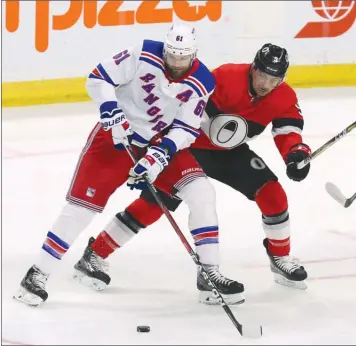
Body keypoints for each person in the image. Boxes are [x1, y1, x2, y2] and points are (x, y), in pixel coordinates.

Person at [13, 23, 245, 307]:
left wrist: (160, 155)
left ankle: (209, 275)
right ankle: (37, 273)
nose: (176, 63)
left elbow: (186, 126)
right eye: (172, 56)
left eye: (183, 57)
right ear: (166, 48)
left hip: (159, 141)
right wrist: (110, 109)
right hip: (115, 139)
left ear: (193, 54)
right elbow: (98, 78)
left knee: (201, 192)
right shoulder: (143, 53)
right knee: (81, 210)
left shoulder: (202, 81)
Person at [74, 43, 311, 294]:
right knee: (156, 203)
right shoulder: (225, 77)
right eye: (262, 75)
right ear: (253, 69)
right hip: (189, 146)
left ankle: (280, 257)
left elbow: (288, 131)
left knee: (272, 193)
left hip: (230, 153)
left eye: (274, 79)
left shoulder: (284, 97)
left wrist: (295, 154)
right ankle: (95, 253)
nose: (265, 84)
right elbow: (187, 108)